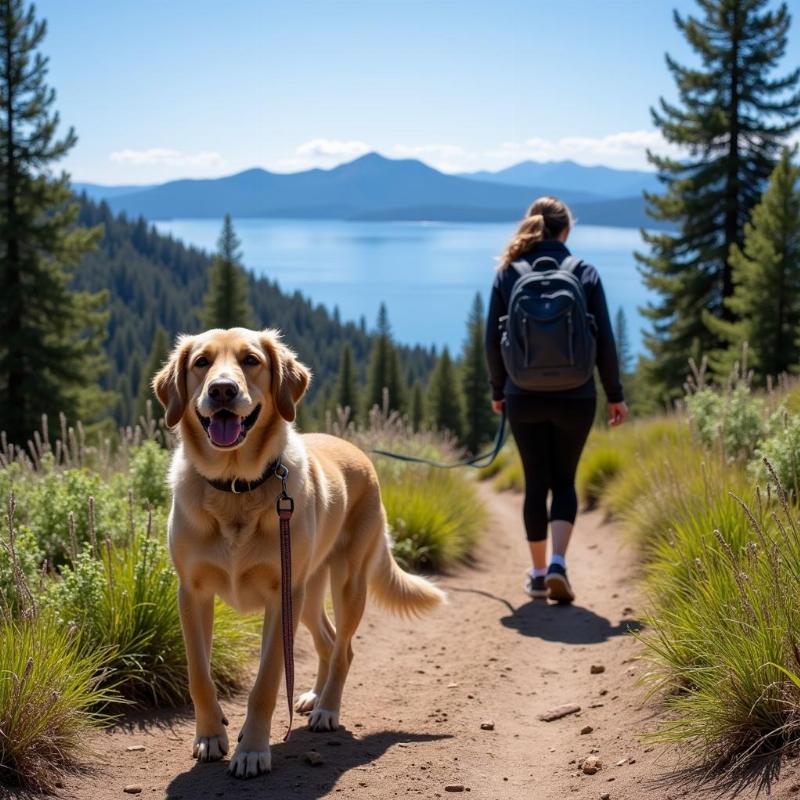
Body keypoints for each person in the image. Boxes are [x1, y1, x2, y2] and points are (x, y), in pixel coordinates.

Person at [484, 196, 627, 603]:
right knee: (564, 480)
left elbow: (492, 344)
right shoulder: (584, 272)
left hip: (523, 396)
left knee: (535, 482)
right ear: (566, 230)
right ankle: (560, 563)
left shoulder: (508, 273)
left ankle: (537, 573)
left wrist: (499, 391)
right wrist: (615, 395)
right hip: (576, 395)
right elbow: (606, 343)